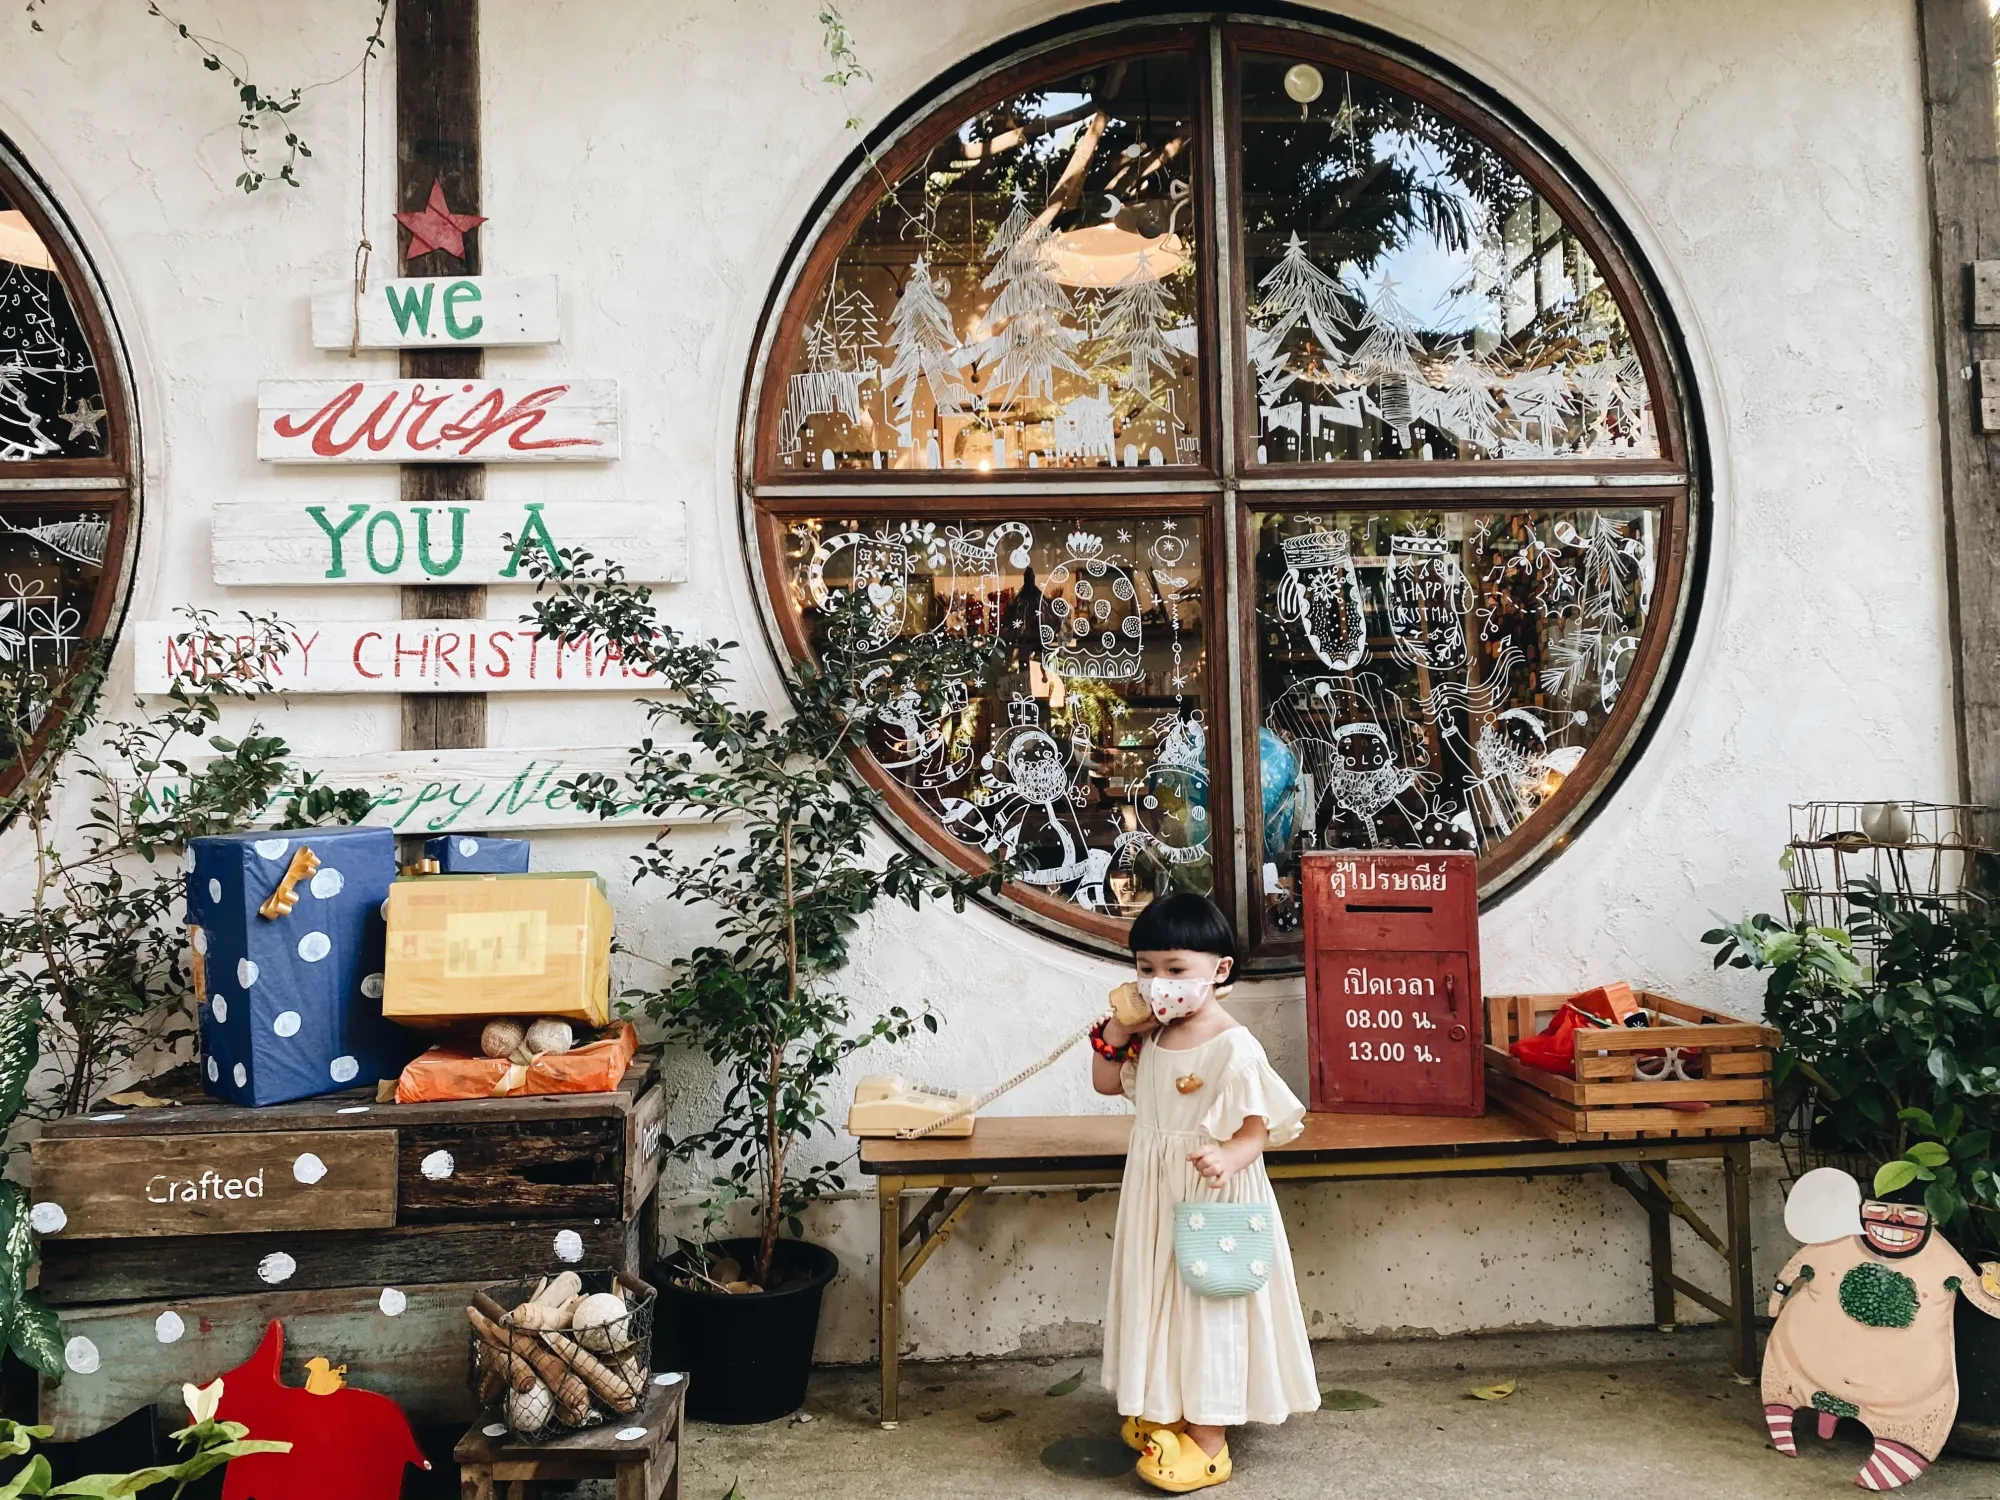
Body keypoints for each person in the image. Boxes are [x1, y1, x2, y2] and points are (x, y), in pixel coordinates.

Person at [1091, 892, 1320, 1492]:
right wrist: (1121, 1024)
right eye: (1145, 969)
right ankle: (1164, 1407)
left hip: (1214, 1201)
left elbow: (1258, 1131)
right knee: (1157, 1300)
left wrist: (1225, 1156)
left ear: (1218, 971)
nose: (1158, 982)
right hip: (1155, 1196)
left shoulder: (1233, 1046)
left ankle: (1209, 1441)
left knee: (1209, 1308)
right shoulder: (1155, 1036)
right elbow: (1105, 1081)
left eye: (1174, 969)